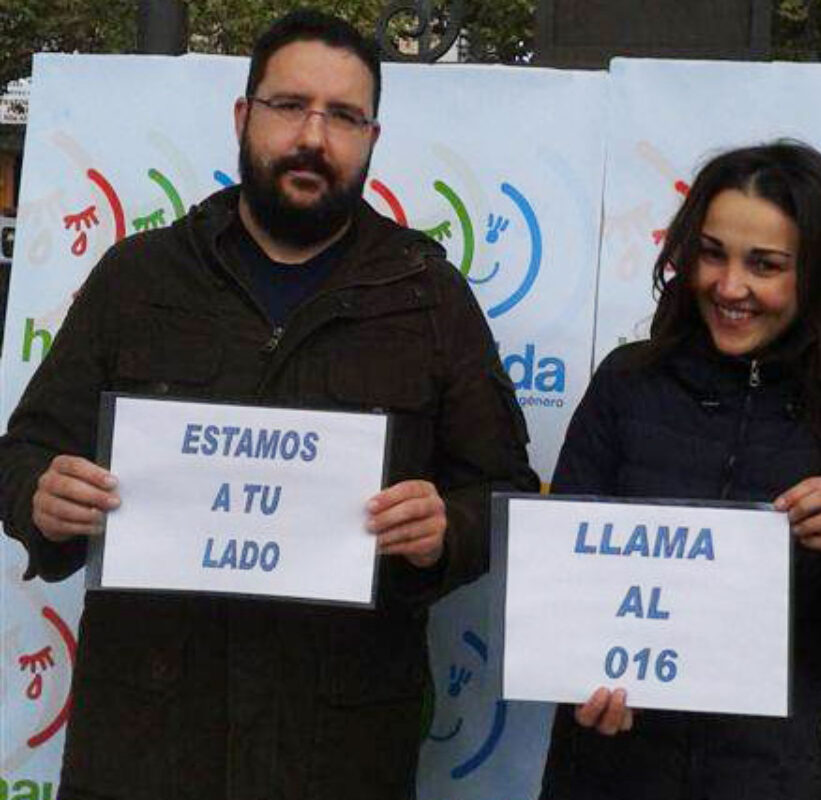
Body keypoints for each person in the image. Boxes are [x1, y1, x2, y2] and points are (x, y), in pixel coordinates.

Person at [0, 10, 538, 800]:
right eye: (289, 106)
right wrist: (41, 497)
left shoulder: (427, 297)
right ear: (244, 117)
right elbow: (24, 453)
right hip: (145, 747)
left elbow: (505, 494)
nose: (313, 137)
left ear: (372, 140)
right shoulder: (137, 279)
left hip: (338, 752)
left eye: (344, 116)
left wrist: (445, 530)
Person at [539, 142, 821, 799]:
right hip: (619, 774)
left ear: (819, 275)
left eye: (765, 265)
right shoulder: (628, 385)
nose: (729, 287)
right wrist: (578, 676)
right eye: (712, 253)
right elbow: (562, 595)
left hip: (796, 780)